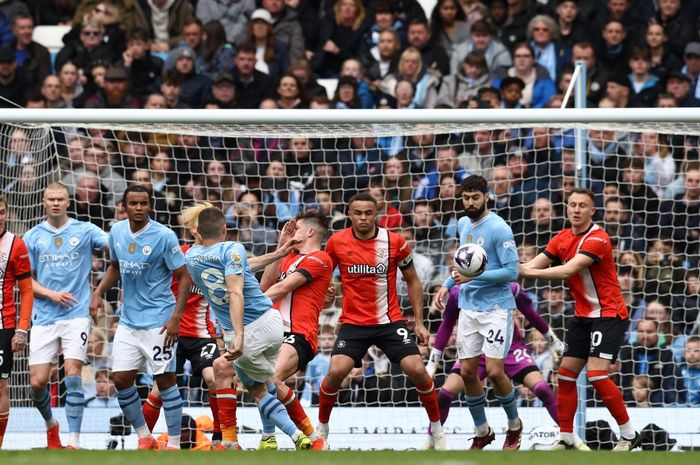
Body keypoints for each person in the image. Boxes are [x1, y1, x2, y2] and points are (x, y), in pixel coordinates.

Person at [315, 192, 447, 450]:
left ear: (377, 214)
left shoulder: (395, 241)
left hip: (389, 322)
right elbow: (323, 274)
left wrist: (419, 323)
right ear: (350, 214)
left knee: (419, 370)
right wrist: (328, 287)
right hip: (353, 324)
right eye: (358, 213)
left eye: (368, 213)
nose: (363, 218)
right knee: (334, 373)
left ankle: (437, 432)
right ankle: (322, 431)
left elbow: (412, 280)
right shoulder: (336, 242)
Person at [520, 187, 640, 451]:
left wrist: (520, 271)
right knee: (565, 375)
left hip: (609, 314)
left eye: (582, 205)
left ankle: (629, 435)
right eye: (572, 204)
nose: (576, 209)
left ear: (592, 210)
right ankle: (565, 437)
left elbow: (567, 271)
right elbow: (533, 265)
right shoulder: (561, 238)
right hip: (583, 317)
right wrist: (511, 270)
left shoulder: (598, 238)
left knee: (597, 375)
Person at [184, 205, 312, 450]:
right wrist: (281, 251)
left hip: (247, 329)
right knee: (264, 383)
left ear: (196, 231)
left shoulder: (191, 258)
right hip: (269, 322)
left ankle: (301, 437)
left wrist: (239, 337)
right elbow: (241, 267)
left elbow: (235, 291)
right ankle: (251, 440)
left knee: (236, 375)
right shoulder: (234, 249)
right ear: (224, 229)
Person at [424, 283, 590, 449]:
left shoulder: (509, 288)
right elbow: (447, 324)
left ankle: (570, 437)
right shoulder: (457, 292)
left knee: (542, 389)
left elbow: (531, 315)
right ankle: (435, 440)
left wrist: (553, 342)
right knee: (445, 394)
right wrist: (432, 363)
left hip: (511, 348)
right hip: (477, 350)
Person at [89, 185, 189, 450]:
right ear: (124, 206)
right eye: (133, 204)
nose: (139, 208)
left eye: (143, 203)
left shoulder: (164, 236)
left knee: (165, 380)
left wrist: (176, 318)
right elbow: (115, 266)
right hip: (129, 322)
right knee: (121, 379)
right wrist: (98, 292)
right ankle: (145, 437)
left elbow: (184, 277)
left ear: (150, 205)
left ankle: (176, 444)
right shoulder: (118, 231)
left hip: (159, 322)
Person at [432, 175, 523, 450]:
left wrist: (473, 279)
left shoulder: (499, 229)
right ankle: (482, 431)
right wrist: (447, 285)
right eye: (465, 197)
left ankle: (515, 426)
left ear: (486, 197)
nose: (470, 202)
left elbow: (511, 272)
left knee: (495, 372)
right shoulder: (462, 224)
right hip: (469, 309)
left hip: (496, 308)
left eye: (475, 197)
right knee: (468, 373)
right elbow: (465, 264)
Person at [23, 183, 108, 449]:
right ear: (43, 202)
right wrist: (50, 294)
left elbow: (113, 246)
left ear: (68, 202)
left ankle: (74, 440)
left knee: (73, 374)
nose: (56, 203)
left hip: (76, 315)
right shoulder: (33, 236)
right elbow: (25, 282)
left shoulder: (84, 230)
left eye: (61, 199)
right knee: (37, 383)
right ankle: (51, 425)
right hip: (45, 316)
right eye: (51, 199)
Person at [141, 202, 222, 448]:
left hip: (201, 335)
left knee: (215, 378)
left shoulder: (220, 257)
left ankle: (221, 438)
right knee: (158, 389)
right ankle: (143, 440)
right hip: (171, 333)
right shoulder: (177, 254)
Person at [258, 210, 332, 450]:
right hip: (272, 330)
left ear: (309, 232)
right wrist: (281, 246)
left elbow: (281, 288)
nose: (291, 233)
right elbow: (265, 285)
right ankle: (266, 439)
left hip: (298, 334)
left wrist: (244, 306)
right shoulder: (288, 256)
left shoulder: (320, 258)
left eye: (295, 229)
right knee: (252, 377)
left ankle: (312, 437)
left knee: (270, 378)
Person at [0, 195, 32, 449]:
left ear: (7, 213)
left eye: (1, 211)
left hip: (3, 325)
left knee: (0, 386)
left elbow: (27, 291)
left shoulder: (16, 245)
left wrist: (22, 328)